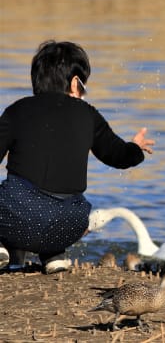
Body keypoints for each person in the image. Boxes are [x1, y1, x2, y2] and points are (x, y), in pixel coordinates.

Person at [0, 40, 154, 274]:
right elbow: (118, 156)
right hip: (70, 225)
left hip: (17, 219)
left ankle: (3, 246)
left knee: (17, 196)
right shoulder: (88, 114)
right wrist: (135, 147)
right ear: (74, 83)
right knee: (58, 201)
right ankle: (54, 255)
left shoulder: (17, 110)